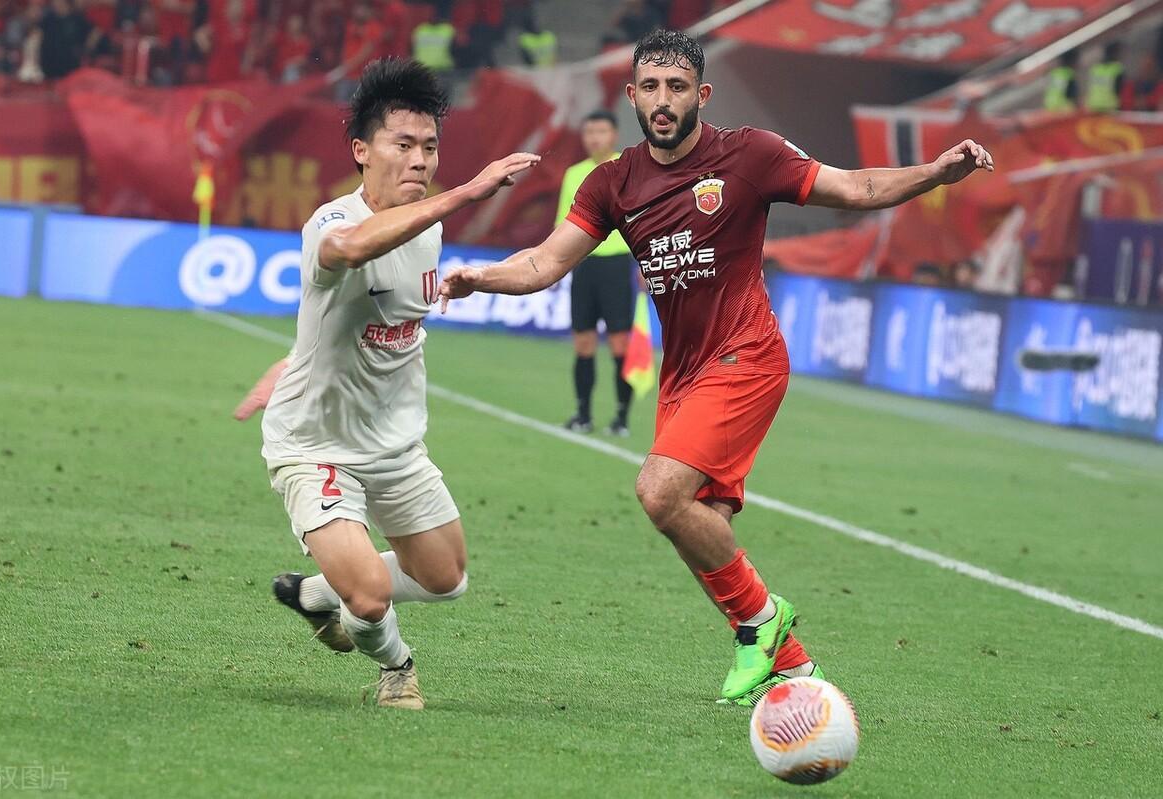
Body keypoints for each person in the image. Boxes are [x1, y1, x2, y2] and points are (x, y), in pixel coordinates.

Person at [438, 30, 993, 707]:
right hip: (685, 372)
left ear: (701, 94)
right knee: (697, 521)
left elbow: (856, 186)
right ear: (631, 95)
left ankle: (762, 620)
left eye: (676, 87)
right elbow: (544, 262)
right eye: (650, 87)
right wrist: (481, 277)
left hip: (747, 355)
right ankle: (794, 669)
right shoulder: (612, 183)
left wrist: (935, 173)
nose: (663, 100)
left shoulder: (750, 154)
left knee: (659, 492)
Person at [251, 58, 539, 709]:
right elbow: (351, 249)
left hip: (393, 443)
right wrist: (467, 192)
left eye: (430, 147)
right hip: (314, 444)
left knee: (446, 578)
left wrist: (293, 358)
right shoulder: (330, 222)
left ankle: (314, 594)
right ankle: (397, 666)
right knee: (370, 599)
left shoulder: (428, 228)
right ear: (361, 150)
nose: (420, 160)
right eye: (403, 144)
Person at [556, 109, 637, 436]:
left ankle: (621, 417)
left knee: (620, 344)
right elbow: (563, 225)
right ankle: (583, 414)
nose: (594, 138)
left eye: (601, 131)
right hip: (584, 265)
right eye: (589, 132)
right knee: (583, 342)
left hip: (617, 264)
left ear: (614, 135)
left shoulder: (628, 169)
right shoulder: (573, 174)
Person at [1084, 41, 1124, 113]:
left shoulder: (1095, 68)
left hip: (1093, 105)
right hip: (1109, 107)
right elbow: (1119, 89)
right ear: (1115, 53)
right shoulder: (1117, 69)